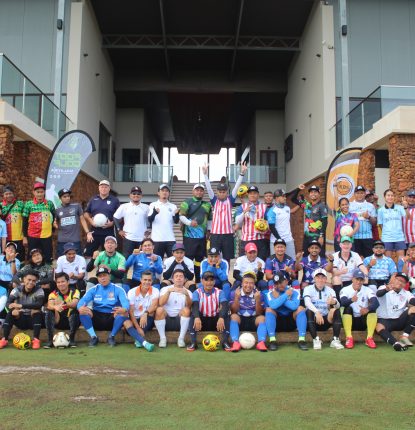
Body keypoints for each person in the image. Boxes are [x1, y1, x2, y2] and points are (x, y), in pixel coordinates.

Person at [77, 267, 151, 349]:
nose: (103, 278)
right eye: (100, 276)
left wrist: (124, 309)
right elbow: (82, 301)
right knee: (83, 311)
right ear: (98, 278)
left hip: (112, 316)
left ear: (109, 276)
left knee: (123, 313)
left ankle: (111, 336)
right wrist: (80, 307)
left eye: (104, 275)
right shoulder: (93, 289)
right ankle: (93, 337)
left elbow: (125, 303)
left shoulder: (118, 289)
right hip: (97, 316)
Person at [202, 162, 246, 263]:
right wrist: (205, 174)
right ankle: (213, 277)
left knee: (227, 258)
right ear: (217, 192)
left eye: (224, 192)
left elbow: (236, 187)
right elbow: (208, 188)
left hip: (228, 235)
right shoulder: (214, 200)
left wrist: (242, 173)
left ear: (227, 192)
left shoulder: (230, 200)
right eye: (220, 192)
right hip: (215, 234)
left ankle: (225, 277)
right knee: (214, 257)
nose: (222, 193)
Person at [187, 271, 231, 351]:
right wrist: (197, 317)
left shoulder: (220, 292)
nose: (209, 282)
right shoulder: (197, 292)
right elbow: (195, 305)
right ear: (202, 281)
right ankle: (193, 342)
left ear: (214, 281)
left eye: (211, 280)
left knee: (226, 315)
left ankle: (225, 342)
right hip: (201, 321)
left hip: (216, 322)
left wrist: (221, 317)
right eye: (206, 280)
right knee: (193, 315)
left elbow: (225, 305)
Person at [264, 272, 308, 351]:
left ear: (287, 281)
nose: (279, 285)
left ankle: (301, 340)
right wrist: (285, 296)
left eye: (281, 282)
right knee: (269, 309)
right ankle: (272, 340)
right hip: (277, 324)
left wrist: (280, 298)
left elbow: (294, 306)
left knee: (300, 308)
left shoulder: (294, 291)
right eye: (276, 283)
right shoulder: (270, 293)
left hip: (291, 323)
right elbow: (273, 305)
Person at [0, 270, 44, 349]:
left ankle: (36, 340)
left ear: (36, 282)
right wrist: (14, 309)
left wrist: (21, 305)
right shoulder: (17, 290)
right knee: (11, 313)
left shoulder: (39, 290)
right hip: (20, 318)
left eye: (33, 281)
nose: (31, 282)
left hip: (33, 319)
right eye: (29, 280)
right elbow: (8, 303)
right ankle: (4, 339)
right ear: (24, 279)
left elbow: (39, 304)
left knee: (37, 312)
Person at [234, 185, 277, 261]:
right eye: (250, 193)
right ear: (248, 195)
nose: (252, 195)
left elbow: (269, 222)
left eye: (255, 193)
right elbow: (238, 222)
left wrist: (265, 229)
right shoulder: (242, 206)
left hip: (260, 240)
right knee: (244, 262)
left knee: (261, 263)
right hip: (246, 239)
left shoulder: (264, 207)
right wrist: (245, 212)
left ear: (258, 194)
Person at [304, 268, 343, 350]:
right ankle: (316, 339)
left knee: (335, 310)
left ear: (326, 279)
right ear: (314, 279)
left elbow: (338, 305)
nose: (320, 280)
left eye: (322, 277)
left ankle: (335, 339)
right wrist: (317, 312)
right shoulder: (308, 289)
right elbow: (307, 302)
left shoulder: (331, 290)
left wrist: (334, 302)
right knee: (309, 311)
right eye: (318, 277)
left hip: (325, 320)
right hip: (313, 320)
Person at [179, 183, 212, 282]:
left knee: (199, 259)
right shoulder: (187, 202)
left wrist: (209, 231)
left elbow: (209, 219)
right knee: (188, 259)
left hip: (202, 237)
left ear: (203, 192)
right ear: (193, 191)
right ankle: (187, 280)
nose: (199, 192)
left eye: (201, 190)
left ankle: (198, 280)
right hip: (189, 237)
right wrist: (189, 223)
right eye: (197, 190)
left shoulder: (207, 204)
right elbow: (181, 216)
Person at [340, 269, 379, 349]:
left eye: (361, 280)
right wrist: (351, 300)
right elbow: (342, 302)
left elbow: (376, 303)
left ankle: (369, 338)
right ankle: (349, 338)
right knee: (347, 308)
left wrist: (367, 309)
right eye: (357, 279)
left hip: (362, 320)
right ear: (352, 279)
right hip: (350, 321)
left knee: (372, 309)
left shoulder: (368, 290)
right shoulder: (345, 289)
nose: (359, 282)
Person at [375, 272, 415, 351]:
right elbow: (378, 294)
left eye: (403, 282)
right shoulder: (384, 287)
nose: (400, 283)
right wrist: (386, 289)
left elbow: (412, 300)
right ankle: (396, 344)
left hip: (400, 320)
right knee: (379, 327)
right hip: (385, 320)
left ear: (405, 284)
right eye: (399, 280)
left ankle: (404, 337)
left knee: (414, 309)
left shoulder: (406, 293)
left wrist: (412, 303)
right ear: (394, 279)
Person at [229, 273, 268, 352]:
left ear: (254, 284)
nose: (248, 285)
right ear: (242, 284)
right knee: (233, 317)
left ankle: (261, 342)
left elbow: (259, 313)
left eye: (251, 283)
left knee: (262, 318)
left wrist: (257, 300)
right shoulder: (234, 293)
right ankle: (235, 342)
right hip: (240, 321)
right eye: (246, 282)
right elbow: (233, 311)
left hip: (253, 320)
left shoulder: (259, 294)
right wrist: (236, 298)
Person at [83, 180, 120, 261]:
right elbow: (86, 213)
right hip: (94, 233)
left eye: (106, 187)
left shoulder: (115, 200)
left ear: (109, 188)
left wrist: (112, 223)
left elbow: (120, 216)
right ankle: (86, 271)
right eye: (102, 187)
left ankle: (106, 272)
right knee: (87, 254)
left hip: (108, 233)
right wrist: (91, 221)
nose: (104, 188)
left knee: (108, 255)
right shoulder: (93, 199)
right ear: (99, 188)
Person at [154, 268, 192, 348]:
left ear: (184, 279)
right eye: (176, 276)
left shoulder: (188, 292)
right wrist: (169, 292)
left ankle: (181, 339)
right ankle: (163, 338)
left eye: (181, 276)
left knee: (186, 310)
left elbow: (189, 307)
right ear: (172, 279)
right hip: (165, 320)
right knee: (159, 310)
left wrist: (187, 295)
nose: (179, 278)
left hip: (180, 321)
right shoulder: (165, 289)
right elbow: (160, 303)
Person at [44, 272, 80, 348]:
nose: (61, 284)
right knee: (49, 312)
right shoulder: (53, 294)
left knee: (75, 311)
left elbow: (74, 304)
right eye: (58, 282)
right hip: (58, 320)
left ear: (68, 282)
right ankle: (50, 340)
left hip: (71, 320)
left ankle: (72, 339)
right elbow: (50, 305)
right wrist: (55, 307)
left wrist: (63, 303)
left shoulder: (75, 291)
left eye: (63, 281)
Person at [22, 182, 55, 263]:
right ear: (34, 192)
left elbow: (54, 217)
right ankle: (32, 274)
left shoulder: (50, 203)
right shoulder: (28, 204)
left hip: (46, 236)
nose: (40, 194)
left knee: (47, 256)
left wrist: (52, 230)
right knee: (32, 257)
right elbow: (25, 221)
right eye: (38, 192)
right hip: (32, 236)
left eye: (42, 192)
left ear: (44, 192)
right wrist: (25, 237)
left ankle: (47, 274)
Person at [113, 186, 149, 257]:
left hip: (142, 238)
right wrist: (119, 230)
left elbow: (152, 219)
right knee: (127, 260)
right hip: (128, 238)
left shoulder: (146, 207)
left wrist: (150, 230)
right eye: (134, 193)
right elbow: (115, 217)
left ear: (141, 196)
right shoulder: (124, 206)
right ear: (130, 195)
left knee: (141, 260)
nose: (136, 195)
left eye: (138, 194)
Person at [126, 270, 159, 349]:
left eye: (149, 280)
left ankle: (138, 338)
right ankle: (142, 340)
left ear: (152, 281)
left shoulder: (155, 291)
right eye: (145, 280)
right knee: (126, 321)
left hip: (147, 318)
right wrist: (138, 328)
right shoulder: (131, 292)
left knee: (152, 313)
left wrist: (145, 313)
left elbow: (154, 306)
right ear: (141, 280)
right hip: (135, 319)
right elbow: (131, 311)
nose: (147, 282)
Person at [292, 184, 328, 255]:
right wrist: (298, 189)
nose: (313, 194)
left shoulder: (322, 206)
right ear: (309, 194)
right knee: (306, 256)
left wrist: (321, 236)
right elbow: (293, 199)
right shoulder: (306, 205)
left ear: (319, 194)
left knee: (318, 257)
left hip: (317, 236)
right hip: (306, 236)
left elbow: (325, 221)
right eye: (311, 192)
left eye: (315, 192)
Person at [54, 188, 89, 257]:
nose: (67, 198)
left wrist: (87, 232)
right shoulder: (57, 210)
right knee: (62, 262)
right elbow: (55, 222)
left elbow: (82, 219)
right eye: (65, 197)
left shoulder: (77, 206)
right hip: (62, 241)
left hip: (75, 240)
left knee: (77, 261)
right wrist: (55, 225)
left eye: (68, 196)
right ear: (60, 198)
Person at [148, 184, 179, 258]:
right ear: (158, 193)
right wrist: (154, 213)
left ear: (169, 193)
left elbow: (176, 221)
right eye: (162, 191)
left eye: (167, 191)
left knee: (172, 261)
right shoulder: (153, 205)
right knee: (157, 262)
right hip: (157, 239)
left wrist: (177, 215)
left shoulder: (173, 206)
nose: (164, 192)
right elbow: (150, 220)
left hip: (170, 239)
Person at [267, 189, 299, 259]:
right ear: (277, 198)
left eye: (285, 196)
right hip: (276, 241)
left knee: (292, 262)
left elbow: (293, 209)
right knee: (275, 264)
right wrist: (280, 240)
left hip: (289, 240)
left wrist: (298, 189)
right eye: (283, 196)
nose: (285, 198)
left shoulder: (287, 208)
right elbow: (272, 227)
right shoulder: (272, 210)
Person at [377, 189, 406, 258]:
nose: (390, 197)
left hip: (399, 237)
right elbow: (381, 224)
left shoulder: (400, 208)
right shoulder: (380, 210)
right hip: (387, 238)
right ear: (384, 197)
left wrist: (405, 207)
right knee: (388, 260)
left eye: (392, 195)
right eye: (388, 195)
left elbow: (407, 217)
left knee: (401, 260)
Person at [349, 185, 377, 257]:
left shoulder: (370, 206)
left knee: (368, 259)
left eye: (361, 193)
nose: (360, 195)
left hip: (367, 237)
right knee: (355, 261)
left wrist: (369, 217)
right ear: (354, 194)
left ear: (365, 194)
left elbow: (374, 223)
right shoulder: (349, 205)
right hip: (354, 237)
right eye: (358, 193)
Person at [0, 185, 25, 258]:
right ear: (3, 195)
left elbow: (26, 220)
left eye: (10, 193)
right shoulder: (1, 206)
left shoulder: (20, 204)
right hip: (5, 239)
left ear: (13, 194)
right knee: (7, 259)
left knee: (20, 259)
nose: (8, 195)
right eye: (6, 194)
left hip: (18, 238)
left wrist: (25, 236)